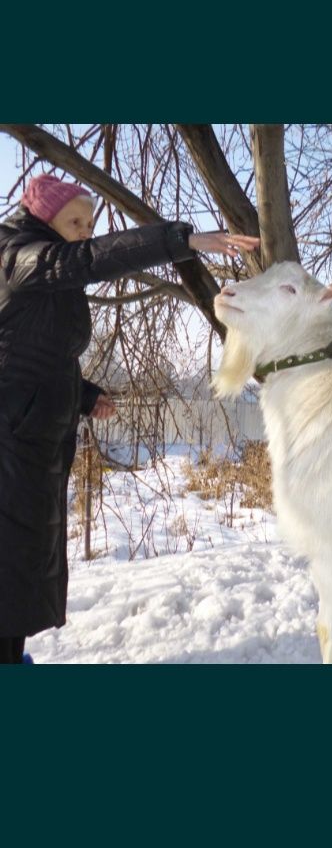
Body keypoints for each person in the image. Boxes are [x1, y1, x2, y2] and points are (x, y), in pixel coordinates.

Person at [0, 172, 259, 663]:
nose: (83, 231)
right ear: (42, 216)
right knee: (8, 560)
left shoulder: (41, 269)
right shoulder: (19, 256)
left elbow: (29, 354)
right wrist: (180, 239)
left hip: (31, 438)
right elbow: (88, 259)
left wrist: (81, 394)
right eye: (74, 221)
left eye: (89, 222)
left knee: (20, 564)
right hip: (11, 442)